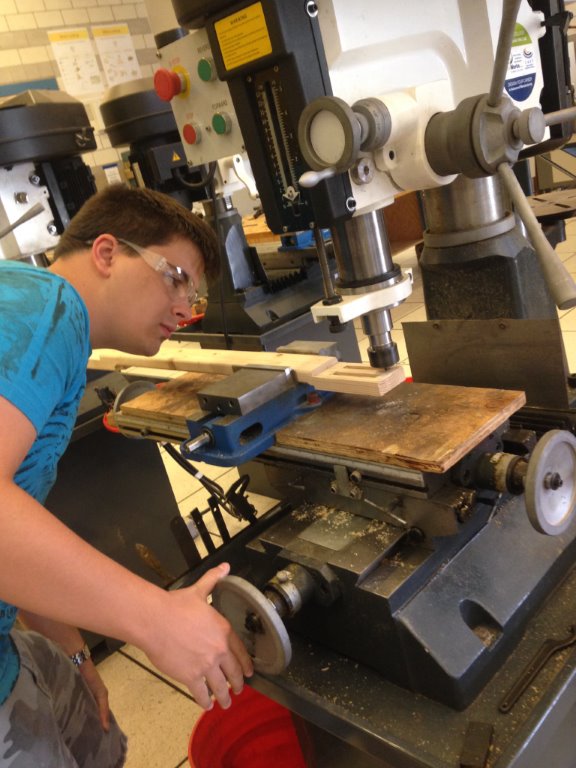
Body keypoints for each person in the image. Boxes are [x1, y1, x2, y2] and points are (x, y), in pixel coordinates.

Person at [0, 185, 254, 767]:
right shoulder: (48, 309)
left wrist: (74, 654)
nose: (187, 307)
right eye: (175, 277)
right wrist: (154, 618)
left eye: (196, 291)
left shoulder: (35, 313)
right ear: (108, 253)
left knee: (98, 739)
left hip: (12, 638)